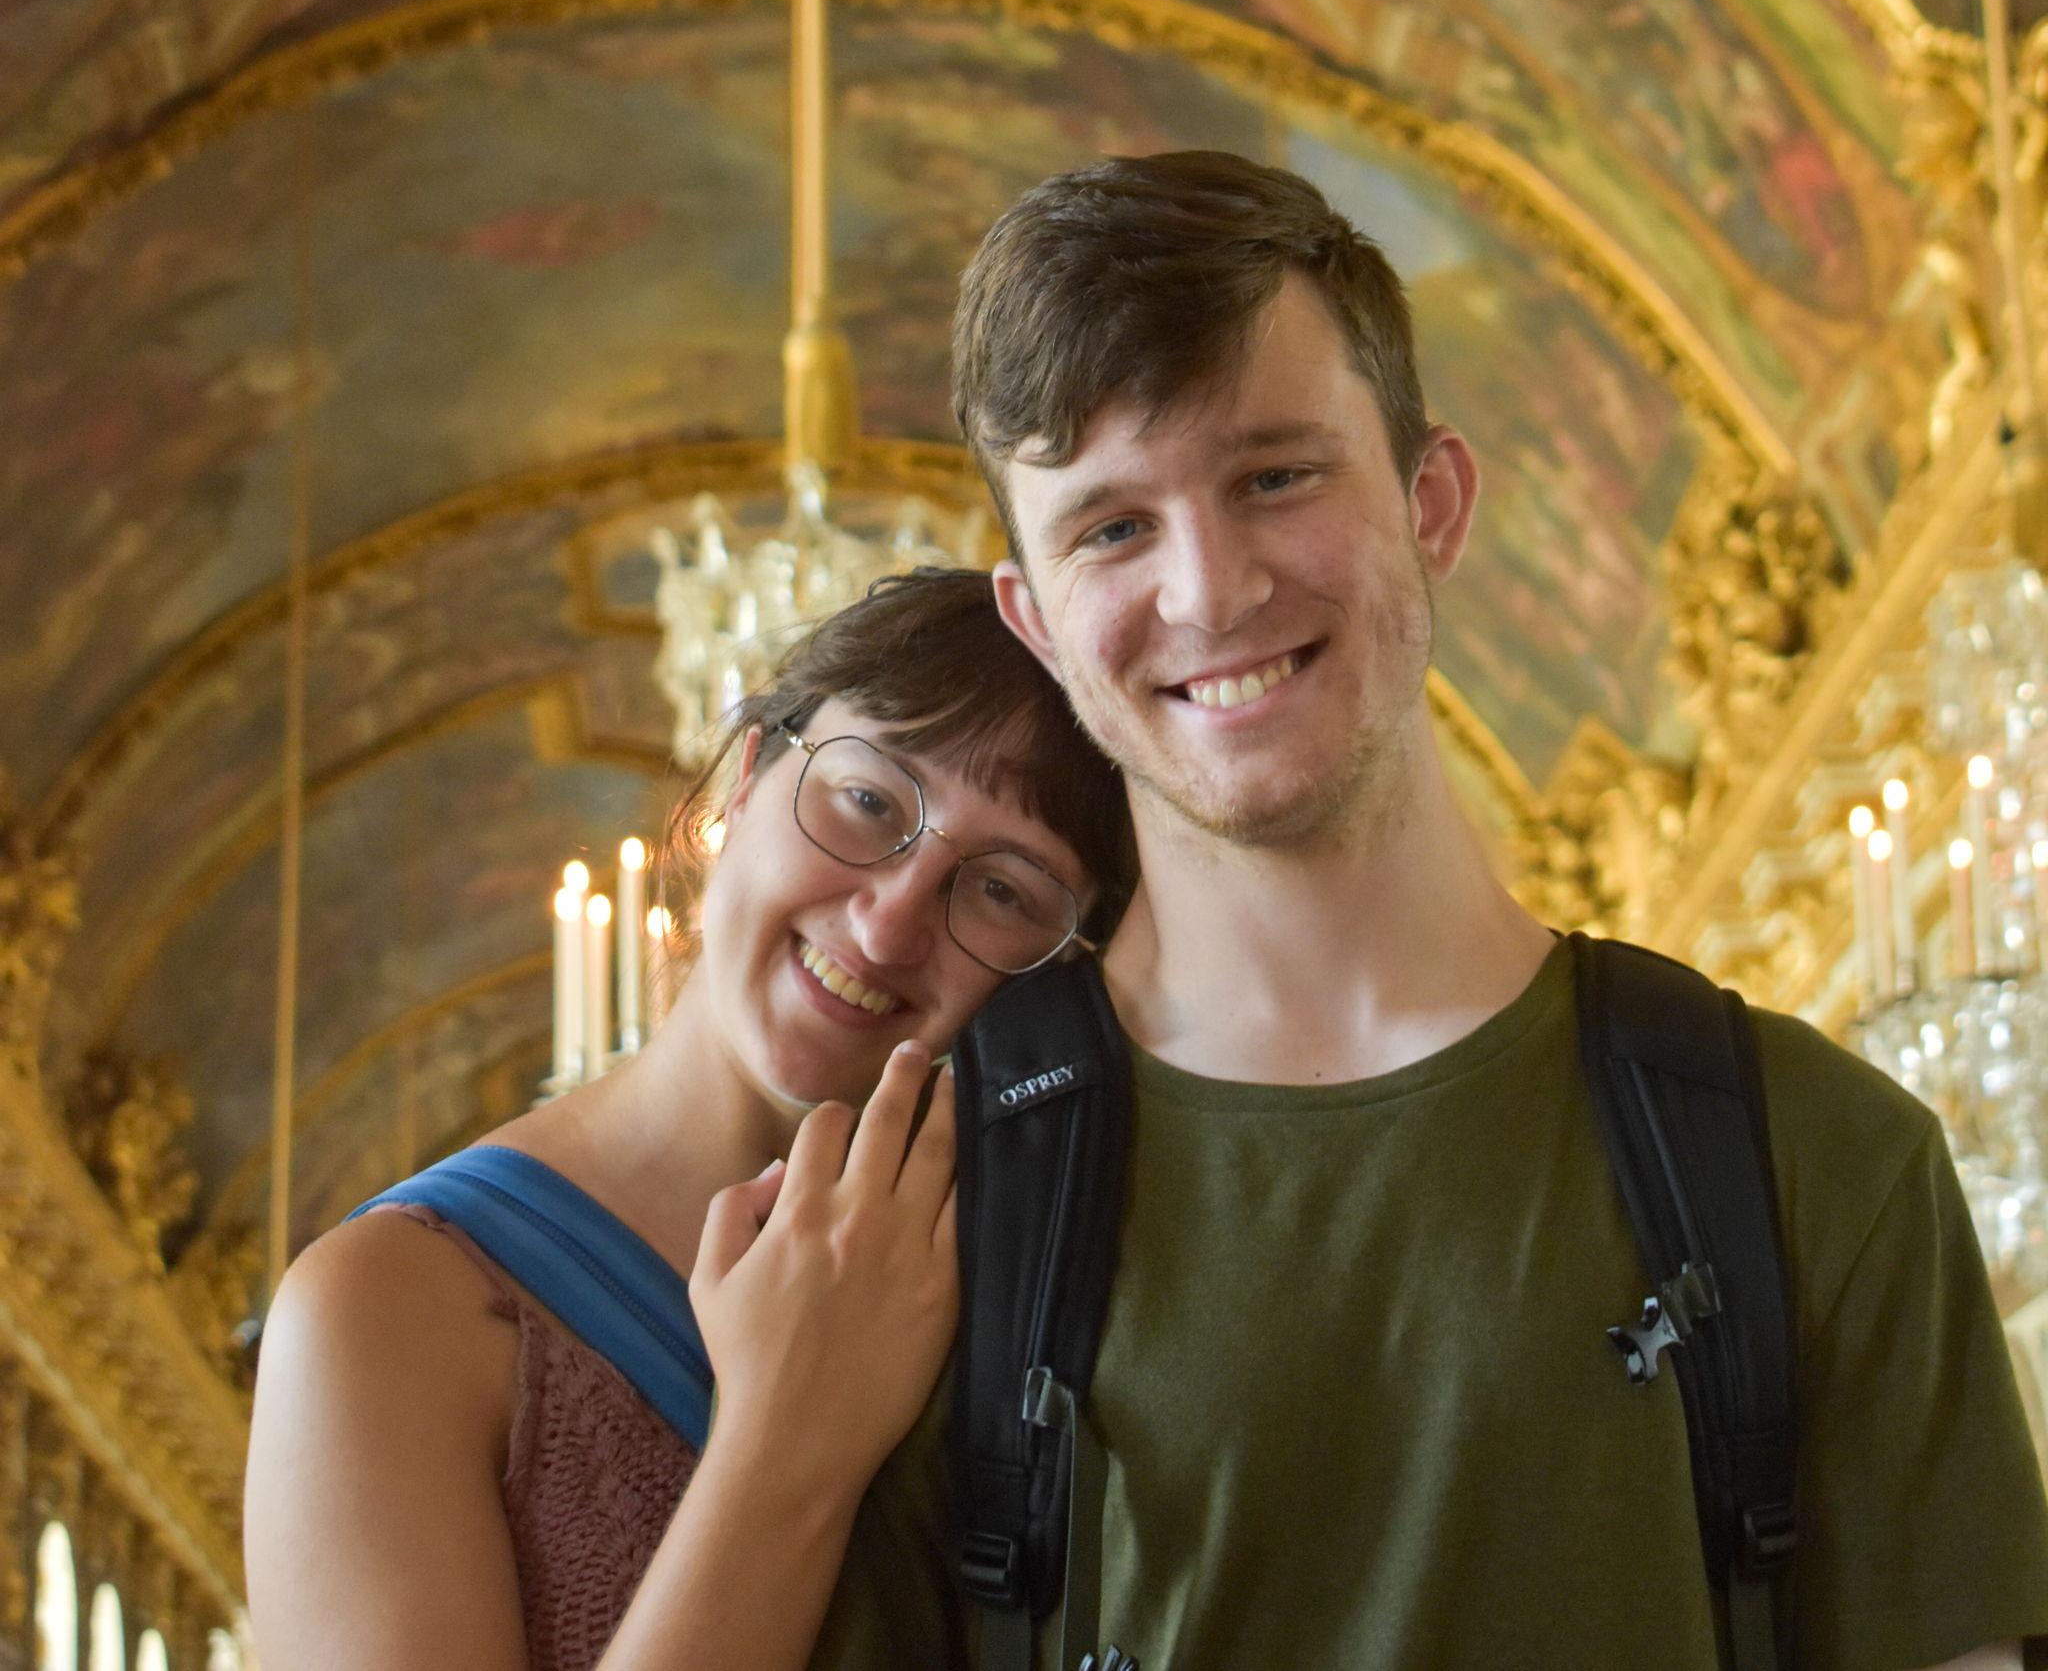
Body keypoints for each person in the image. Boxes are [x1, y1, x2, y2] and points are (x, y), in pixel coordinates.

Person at [809, 152, 2048, 1670]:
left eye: (1274, 474)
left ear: (1434, 501)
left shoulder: (1820, 1158)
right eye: (1112, 527)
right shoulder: (924, 1203)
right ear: (1040, 622)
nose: (1209, 589)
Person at [243, 568, 1134, 1671]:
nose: (891, 917)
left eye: (1003, 889)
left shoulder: (1058, 1282)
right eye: (866, 801)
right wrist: (791, 1442)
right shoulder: (382, 1309)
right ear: (747, 779)